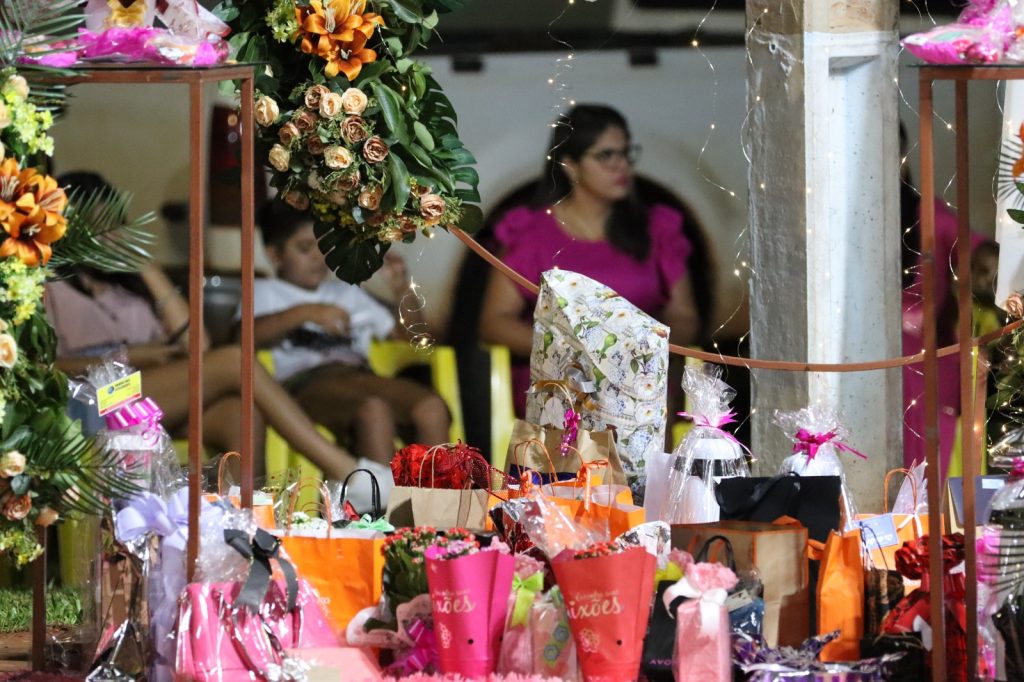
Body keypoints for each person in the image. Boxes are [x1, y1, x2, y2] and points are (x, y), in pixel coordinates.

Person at [45, 171, 358, 481]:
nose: (110, 236)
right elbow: (44, 367)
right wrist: (131, 356)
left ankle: (238, 522)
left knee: (240, 415)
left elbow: (198, 345)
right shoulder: (50, 287)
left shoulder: (129, 290)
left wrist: (148, 269)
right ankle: (345, 471)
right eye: (98, 226)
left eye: (116, 224)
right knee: (233, 360)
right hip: (92, 401)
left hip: (147, 396)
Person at [478, 103, 701, 415]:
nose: (621, 165)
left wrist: (643, 347)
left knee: (641, 401)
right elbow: (494, 322)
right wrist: (574, 351)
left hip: (640, 384)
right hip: (561, 385)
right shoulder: (533, 232)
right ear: (570, 165)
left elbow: (685, 316)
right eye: (606, 156)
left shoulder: (656, 228)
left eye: (625, 153)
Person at [253, 200, 451, 465]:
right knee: (374, 410)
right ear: (274, 255)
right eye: (304, 248)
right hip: (305, 383)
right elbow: (242, 338)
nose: (317, 256)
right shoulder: (265, 291)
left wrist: (403, 289)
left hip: (360, 375)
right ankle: (381, 504)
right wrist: (304, 313)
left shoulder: (346, 292)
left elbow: (411, 340)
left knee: (432, 408)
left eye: (323, 245)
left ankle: (437, 503)